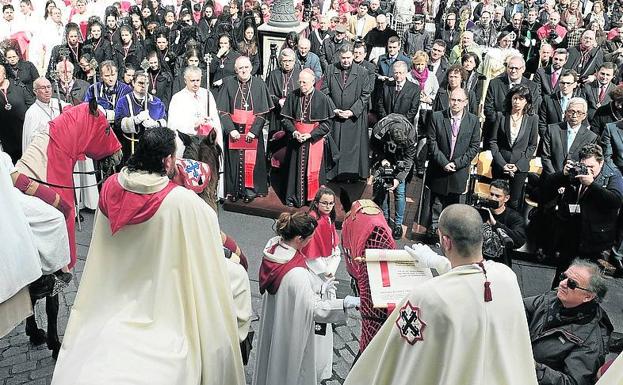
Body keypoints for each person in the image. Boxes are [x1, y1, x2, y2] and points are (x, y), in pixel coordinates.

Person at [50, 127, 246, 385]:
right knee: (237, 281)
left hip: (112, 294)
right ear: (167, 161)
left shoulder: (109, 187)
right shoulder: (182, 202)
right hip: (164, 300)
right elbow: (206, 246)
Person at [343, 204, 539, 385]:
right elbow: (471, 276)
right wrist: (437, 261)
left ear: (445, 240)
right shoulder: (506, 277)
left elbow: (400, 359)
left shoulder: (429, 296)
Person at [253, 211, 359, 385]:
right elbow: (314, 309)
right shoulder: (297, 274)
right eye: (310, 238)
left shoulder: (275, 250)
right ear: (299, 239)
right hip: (290, 331)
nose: (311, 242)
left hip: (275, 322)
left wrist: (318, 286)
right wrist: (344, 304)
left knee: (271, 364)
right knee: (289, 370)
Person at [541, 144, 623, 284]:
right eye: (585, 166)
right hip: (571, 234)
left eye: (592, 167)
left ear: (601, 162)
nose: (588, 171)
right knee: (562, 277)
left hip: (595, 240)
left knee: (585, 282)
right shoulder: (576, 171)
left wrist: (592, 185)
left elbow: (615, 201)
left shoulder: (613, 175)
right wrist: (563, 174)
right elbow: (548, 185)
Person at [525, 259, 613, 385]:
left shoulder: (591, 343)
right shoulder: (555, 297)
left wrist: (535, 368)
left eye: (572, 284)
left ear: (588, 296)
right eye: (564, 276)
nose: (562, 283)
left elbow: (572, 382)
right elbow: (523, 307)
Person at [217, 56, 273, 203]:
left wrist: (254, 131)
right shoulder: (229, 84)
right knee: (234, 161)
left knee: (252, 162)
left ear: (251, 68)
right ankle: (234, 191)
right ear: (236, 70)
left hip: (252, 131)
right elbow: (223, 111)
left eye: (246, 67)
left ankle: (249, 191)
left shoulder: (259, 84)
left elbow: (263, 112)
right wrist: (230, 129)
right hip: (234, 130)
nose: (243, 71)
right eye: (240, 68)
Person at [426, 88, 481, 232]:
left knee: (453, 206)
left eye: (459, 100)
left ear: (466, 102)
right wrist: (443, 162)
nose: (455, 103)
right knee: (436, 203)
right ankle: (433, 230)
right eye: (453, 99)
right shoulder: (437, 117)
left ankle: (448, 232)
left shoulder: (473, 121)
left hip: (458, 171)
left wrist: (457, 164)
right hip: (439, 168)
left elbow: (474, 147)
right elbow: (432, 143)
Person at [280, 69, 335, 207]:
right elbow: (285, 119)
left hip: (314, 141)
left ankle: (312, 199)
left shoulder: (322, 98)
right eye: (300, 82)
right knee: (294, 170)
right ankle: (294, 198)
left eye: (305, 82)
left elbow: (327, 124)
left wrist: (311, 134)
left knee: (313, 171)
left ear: (313, 82)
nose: (302, 85)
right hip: (296, 140)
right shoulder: (293, 96)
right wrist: (294, 132)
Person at [321, 44, 372, 182]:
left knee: (351, 150)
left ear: (353, 57)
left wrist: (351, 111)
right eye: (343, 58)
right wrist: (334, 109)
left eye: (349, 57)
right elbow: (324, 91)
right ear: (339, 57)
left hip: (353, 119)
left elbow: (365, 95)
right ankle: (333, 175)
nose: (346, 61)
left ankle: (350, 176)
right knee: (335, 147)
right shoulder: (330, 69)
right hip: (335, 117)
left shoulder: (362, 72)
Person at [488, 85, 539, 208]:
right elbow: (493, 142)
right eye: (515, 98)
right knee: (496, 199)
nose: (517, 102)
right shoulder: (501, 116)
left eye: (521, 99)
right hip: (501, 164)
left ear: (526, 101)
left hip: (520, 167)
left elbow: (532, 146)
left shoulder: (533, 119)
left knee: (514, 202)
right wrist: (502, 163)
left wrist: (518, 166)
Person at [370, 113, 416, 239]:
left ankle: (398, 224)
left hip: (401, 159)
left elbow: (409, 159)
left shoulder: (411, 135)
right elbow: (373, 146)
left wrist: (398, 178)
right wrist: (382, 159)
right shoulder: (379, 130)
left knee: (400, 192)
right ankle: (384, 219)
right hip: (384, 155)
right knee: (383, 189)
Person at [114, 71, 167, 163]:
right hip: (130, 148)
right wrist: (135, 120)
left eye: (146, 83)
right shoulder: (123, 101)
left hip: (152, 149)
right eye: (140, 83)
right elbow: (117, 124)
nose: (143, 86)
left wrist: (156, 124)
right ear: (133, 83)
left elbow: (165, 122)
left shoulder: (157, 102)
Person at [483, 55, 541, 137]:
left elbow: (532, 110)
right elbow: (488, 108)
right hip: (495, 132)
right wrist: (502, 124)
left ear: (523, 69)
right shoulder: (495, 83)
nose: (513, 71)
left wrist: (516, 125)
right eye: (511, 68)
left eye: (516, 68)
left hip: (519, 134)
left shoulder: (532, 86)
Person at [540, 98, 598, 176]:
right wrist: (555, 177)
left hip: (575, 181)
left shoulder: (591, 137)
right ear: (565, 113)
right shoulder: (552, 130)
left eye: (579, 112)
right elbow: (545, 156)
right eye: (571, 111)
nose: (574, 116)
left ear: (584, 116)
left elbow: (587, 162)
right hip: (550, 178)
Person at [302, 186, 341, 277]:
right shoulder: (313, 220)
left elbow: (332, 238)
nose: (328, 207)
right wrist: (324, 270)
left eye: (331, 203)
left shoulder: (328, 216)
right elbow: (310, 250)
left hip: (328, 258)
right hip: (317, 263)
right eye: (324, 203)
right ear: (316, 203)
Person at [0, 63, 35, 164]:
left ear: (4, 74)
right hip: (6, 138)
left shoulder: (18, 86)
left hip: (24, 133)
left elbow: (31, 105)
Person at [83, 60, 132, 126]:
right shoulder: (93, 89)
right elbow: (86, 108)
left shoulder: (126, 90)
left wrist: (107, 114)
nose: (111, 78)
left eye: (113, 75)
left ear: (117, 74)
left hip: (118, 130)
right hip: (99, 127)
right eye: (107, 76)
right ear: (101, 76)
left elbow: (126, 113)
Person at [485, 179, 528, 252]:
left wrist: (495, 224)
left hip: (500, 259)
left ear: (506, 198)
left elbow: (520, 240)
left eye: (497, 196)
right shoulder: (481, 211)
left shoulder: (515, 217)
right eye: (491, 194)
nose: (493, 198)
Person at [538, 69, 582, 136]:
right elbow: (541, 123)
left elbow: (583, 124)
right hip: (549, 138)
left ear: (575, 84)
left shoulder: (579, 102)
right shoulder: (548, 99)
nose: (565, 86)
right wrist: (548, 138)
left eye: (568, 83)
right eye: (562, 83)